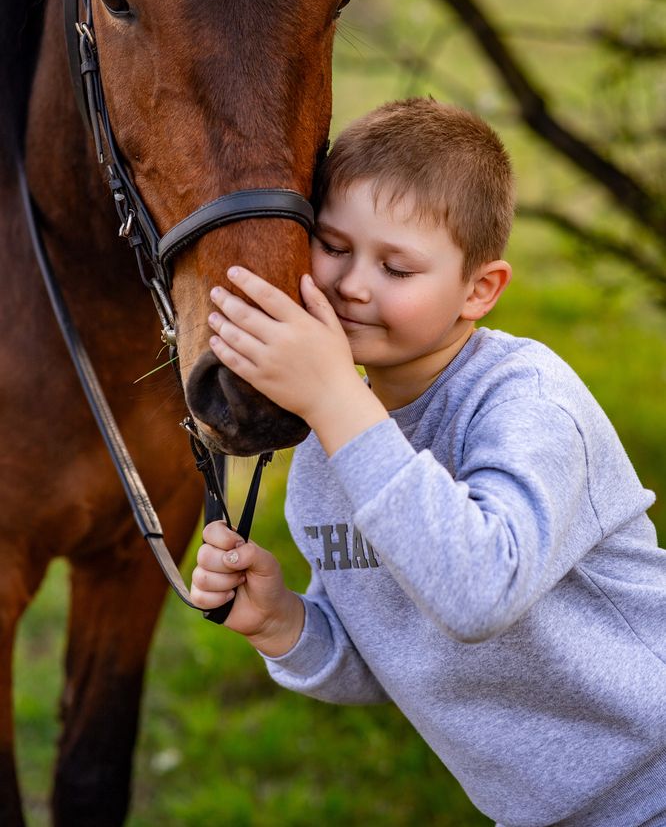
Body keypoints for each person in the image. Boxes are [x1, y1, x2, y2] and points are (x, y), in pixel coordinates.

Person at [190, 98, 666, 827]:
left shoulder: (526, 401)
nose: (353, 284)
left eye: (397, 267)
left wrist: (334, 398)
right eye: (334, 245)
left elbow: (477, 591)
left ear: (479, 290)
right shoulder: (331, 453)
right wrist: (283, 621)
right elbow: (397, 660)